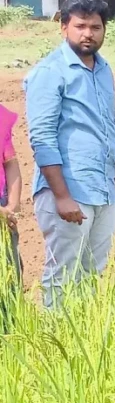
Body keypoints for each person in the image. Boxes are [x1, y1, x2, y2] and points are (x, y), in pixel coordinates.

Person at [24, 0, 115, 309]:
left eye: (95, 26)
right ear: (64, 27)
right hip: (68, 189)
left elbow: (109, 124)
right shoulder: (50, 71)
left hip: (103, 187)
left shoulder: (104, 69)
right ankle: (56, 343)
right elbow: (41, 137)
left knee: (93, 273)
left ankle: (85, 341)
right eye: (80, 26)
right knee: (63, 273)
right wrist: (62, 196)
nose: (88, 33)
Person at [0, 102, 22, 329]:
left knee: (10, 279)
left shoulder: (1, 116)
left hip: (3, 212)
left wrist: (12, 205)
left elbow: (11, 163)